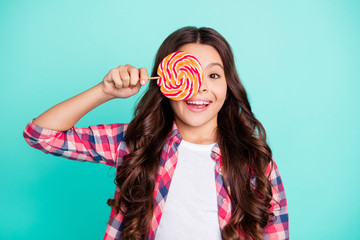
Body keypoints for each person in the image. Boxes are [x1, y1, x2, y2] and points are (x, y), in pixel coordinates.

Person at [23, 26, 289, 240]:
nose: (199, 87)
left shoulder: (254, 159)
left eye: (214, 75)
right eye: (189, 72)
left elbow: (276, 232)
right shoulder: (135, 142)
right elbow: (40, 135)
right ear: (167, 81)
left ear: (229, 86)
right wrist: (104, 91)